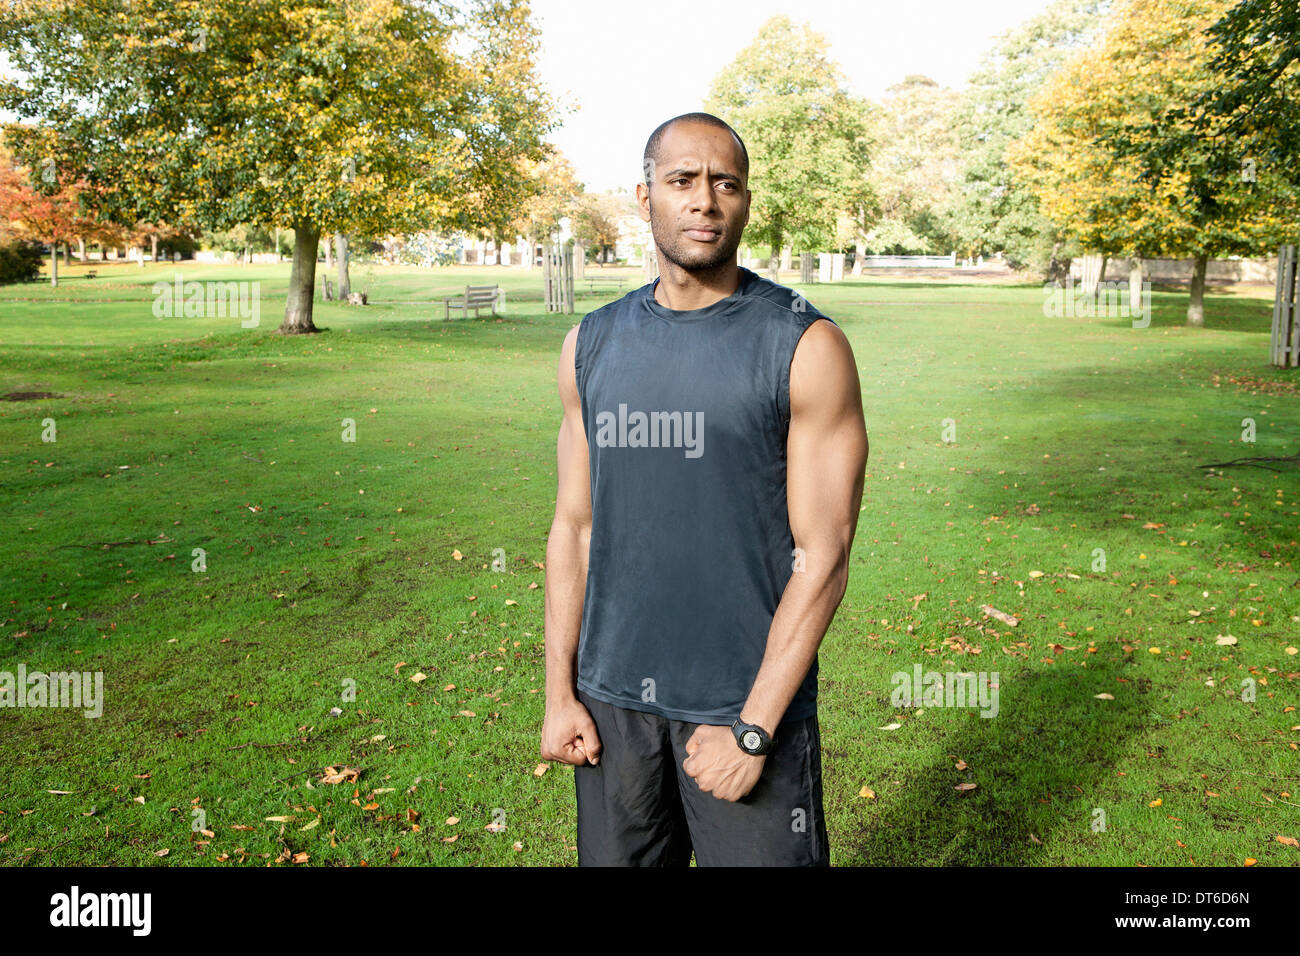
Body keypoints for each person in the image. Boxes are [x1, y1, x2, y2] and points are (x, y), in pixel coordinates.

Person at [540, 111, 868, 866]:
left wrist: (754, 728)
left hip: (741, 704)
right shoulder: (590, 343)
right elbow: (574, 528)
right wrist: (561, 693)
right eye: (682, 180)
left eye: (726, 183)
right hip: (613, 706)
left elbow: (825, 555)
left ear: (746, 200)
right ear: (644, 195)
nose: (704, 201)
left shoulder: (805, 346)